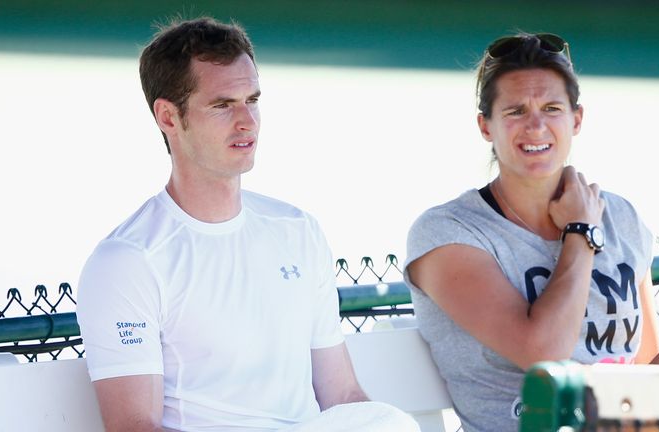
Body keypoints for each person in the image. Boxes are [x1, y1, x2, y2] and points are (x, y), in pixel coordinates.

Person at [76, 17, 418, 432]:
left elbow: (342, 396)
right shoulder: (129, 260)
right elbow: (134, 426)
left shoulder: (297, 230)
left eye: (252, 100)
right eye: (222, 105)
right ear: (168, 116)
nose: (247, 121)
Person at [403, 32, 659, 432]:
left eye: (551, 108)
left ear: (576, 119)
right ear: (486, 126)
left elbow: (642, 362)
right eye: (515, 111)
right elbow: (543, 357)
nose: (536, 125)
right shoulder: (448, 233)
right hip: (535, 425)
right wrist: (580, 232)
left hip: (629, 420)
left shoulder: (620, 217)